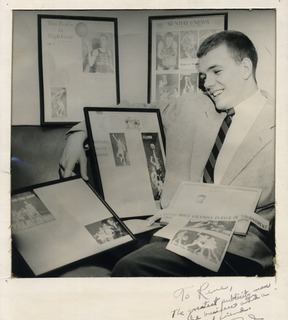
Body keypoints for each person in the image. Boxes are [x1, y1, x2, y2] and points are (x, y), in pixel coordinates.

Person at [59, 30, 275, 277]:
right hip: (169, 231)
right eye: (203, 76)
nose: (207, 83)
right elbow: (129, 111)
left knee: (131, 267)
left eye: (217, 71)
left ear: (245, 68)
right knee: (82, 245)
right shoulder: (192, 106)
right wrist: (78, 135)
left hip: (235, 249)